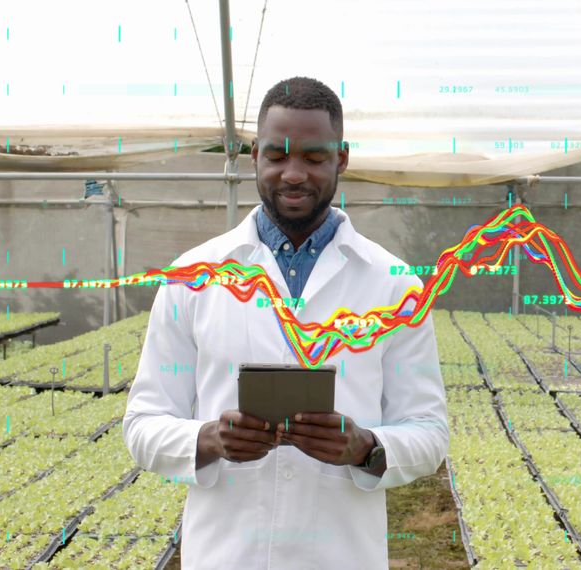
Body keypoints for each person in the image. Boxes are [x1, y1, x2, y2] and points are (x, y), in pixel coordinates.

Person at [123, 76, 449, 570]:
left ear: (342, 158)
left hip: (341, 554)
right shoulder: (193, 278)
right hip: (226, 554)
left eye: (314, 158)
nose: (293, 174)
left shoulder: (394, 285)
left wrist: (366, 448)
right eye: (277, 156)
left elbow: (428, 431)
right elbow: (143, 424)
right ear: (255, 155)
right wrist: (209, 439)